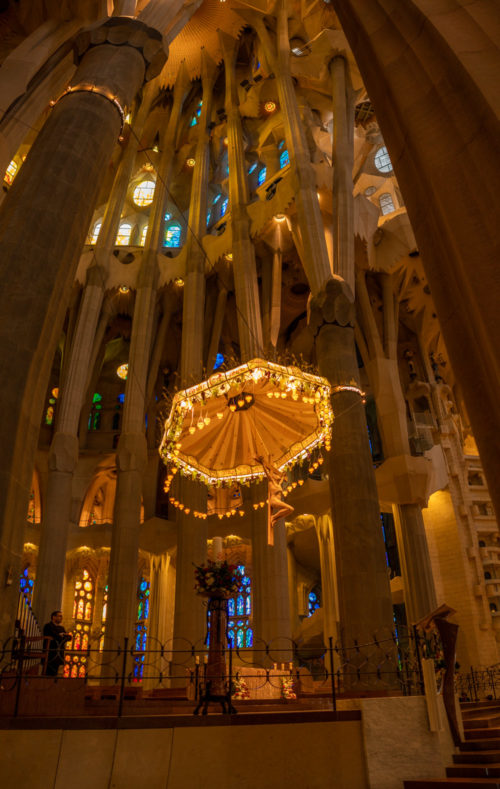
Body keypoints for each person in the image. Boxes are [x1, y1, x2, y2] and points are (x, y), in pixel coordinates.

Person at [256, 454, 294, 545]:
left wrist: (283, 476)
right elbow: (267, 472)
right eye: (276, 475)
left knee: (290, 510)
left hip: (278, 501)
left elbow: (281, 478)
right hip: (274, 501)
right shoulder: (271, 482)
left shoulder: (278, 484)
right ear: (273, 477)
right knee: (290, 509)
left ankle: (274, 518)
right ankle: (274, 517)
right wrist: (263, 463)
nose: (278, 476)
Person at [43, 610, 71, 676]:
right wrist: (60, 635)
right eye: (59, 616)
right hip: (50, 652)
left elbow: (69, 637)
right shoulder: (48, 626)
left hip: (59, 653)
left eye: (61, 616)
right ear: (53, 617)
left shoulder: (61, 628)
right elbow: (53, 635)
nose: (61, 618)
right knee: (48, 672)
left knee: (55, 673)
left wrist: (62, 635)